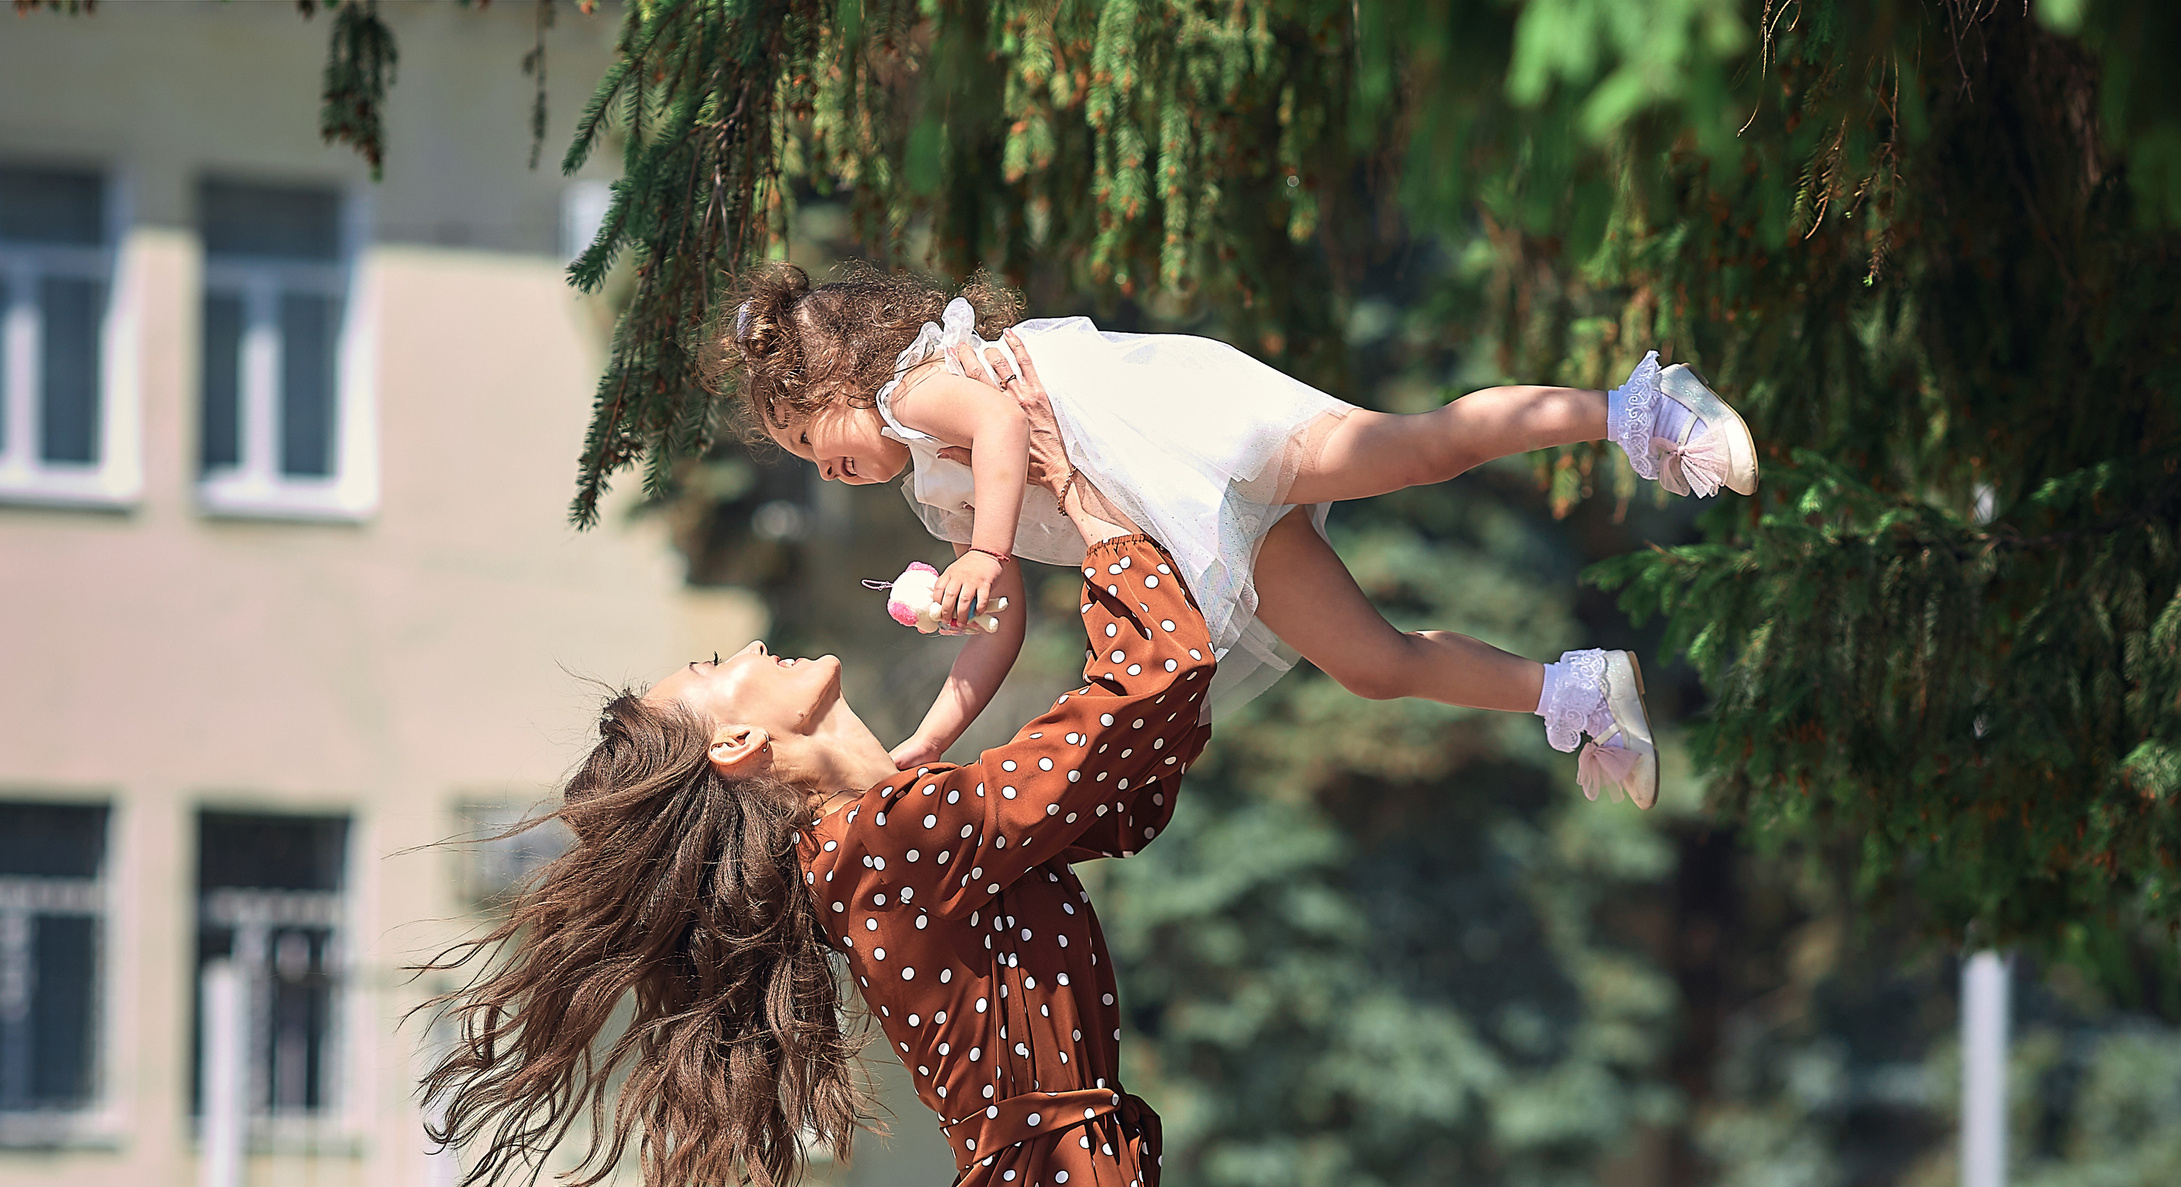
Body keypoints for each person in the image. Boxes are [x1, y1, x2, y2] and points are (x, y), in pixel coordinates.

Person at [421, 359, 1214, 1187]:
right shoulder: (893, 842)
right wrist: (1087, 499)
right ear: (737, 748)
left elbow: (1034, 723)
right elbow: (1152, 701)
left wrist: (995, 535)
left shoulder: (894, 820)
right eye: (718, 671)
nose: (752, 650)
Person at [712, 262, 1760, 809]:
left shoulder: (915, 392)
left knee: (1416, 448)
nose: (825, 467)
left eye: (812, 435)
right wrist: (932, 738)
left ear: (848, 379)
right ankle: (1575, 692)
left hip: (1188, 439)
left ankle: (1640, 410)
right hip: (1188, 510)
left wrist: (983, 552)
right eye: (805, 460)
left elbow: (996, 430)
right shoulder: (935, 492)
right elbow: (1001, 621)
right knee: (1371, 666)